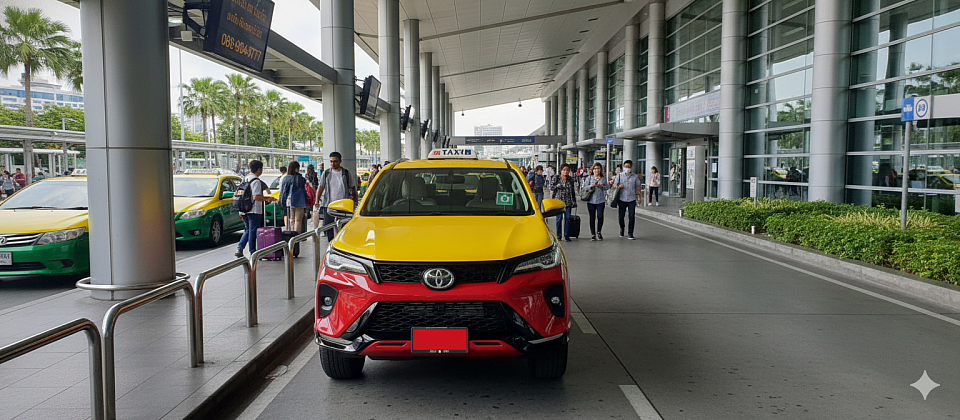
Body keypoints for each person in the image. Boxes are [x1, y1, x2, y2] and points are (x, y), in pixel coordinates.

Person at [236, 160, 277, 258]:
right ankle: (253, 251)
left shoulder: (244, 179)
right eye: (261, 168)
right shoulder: (256, 181)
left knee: (248, 230)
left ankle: (240, 248)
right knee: (253, 231)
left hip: (244, 209)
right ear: (259, 169)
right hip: (254, 210)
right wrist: (268, 199)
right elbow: (256, 197)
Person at [317, 152, 358, 240]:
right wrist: (317, 200)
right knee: (328, 226)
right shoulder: (326, 173)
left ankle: (342, 241)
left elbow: (352, 188)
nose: (333, 164)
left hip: (344, 205)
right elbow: (321, 187)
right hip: (329, 204)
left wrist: (355, 202)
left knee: (344, 225)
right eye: (331, 161)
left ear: (340, 161)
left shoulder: (346, 173)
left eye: (335, 161)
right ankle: (331, 242)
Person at [280, 161, 308, 257]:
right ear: (297, 168)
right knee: (298, 220)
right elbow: (305, 190)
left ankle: (291, 235)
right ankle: (297, 237)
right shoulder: (301, 178)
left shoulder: (286, 178)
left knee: (291, 219)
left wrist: (281, 200)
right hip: (300, 201)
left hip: (289, 201)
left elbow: (283, 191)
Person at [610, 159, 642, 239]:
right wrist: (618, 186)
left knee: (631, 216)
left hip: (631, 199)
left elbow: (638, 187)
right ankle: (622, 228)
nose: (627, 168)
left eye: (628, 166)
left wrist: (639, 198)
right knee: (621, 216)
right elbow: (614, 186)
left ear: (631, 167)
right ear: (623, 167)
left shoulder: (635, 176)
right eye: (625, 166)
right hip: (621, 199)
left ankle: (630, 233)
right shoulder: (619, 176)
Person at [583, 163, 609, 241]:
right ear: (592, 170)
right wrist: (591, 186)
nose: (596, 170)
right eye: (595, 168)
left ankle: (599, 231)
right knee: (592, 217)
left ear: (600, 170)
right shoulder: (589, 178)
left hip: (600, 200)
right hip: (591, 200)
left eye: (598, 168)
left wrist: (602, 186)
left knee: (600, 216)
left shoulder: (603, 179)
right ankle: (593, 233)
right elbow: (584, 187)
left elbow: (607, 187)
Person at [551, 164, 577, 242]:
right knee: (559, 219)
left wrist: (574, 201)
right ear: (561, 170)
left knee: (568, 218)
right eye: (564, 170)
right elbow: (551, 187)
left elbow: (572, 191)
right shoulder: (556, 178)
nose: (566, 171)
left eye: (567, 170)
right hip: (559, 202)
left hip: (568, 202)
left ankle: (566, 235)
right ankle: (559, 236)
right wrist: (557, 186)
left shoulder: (570, 179)